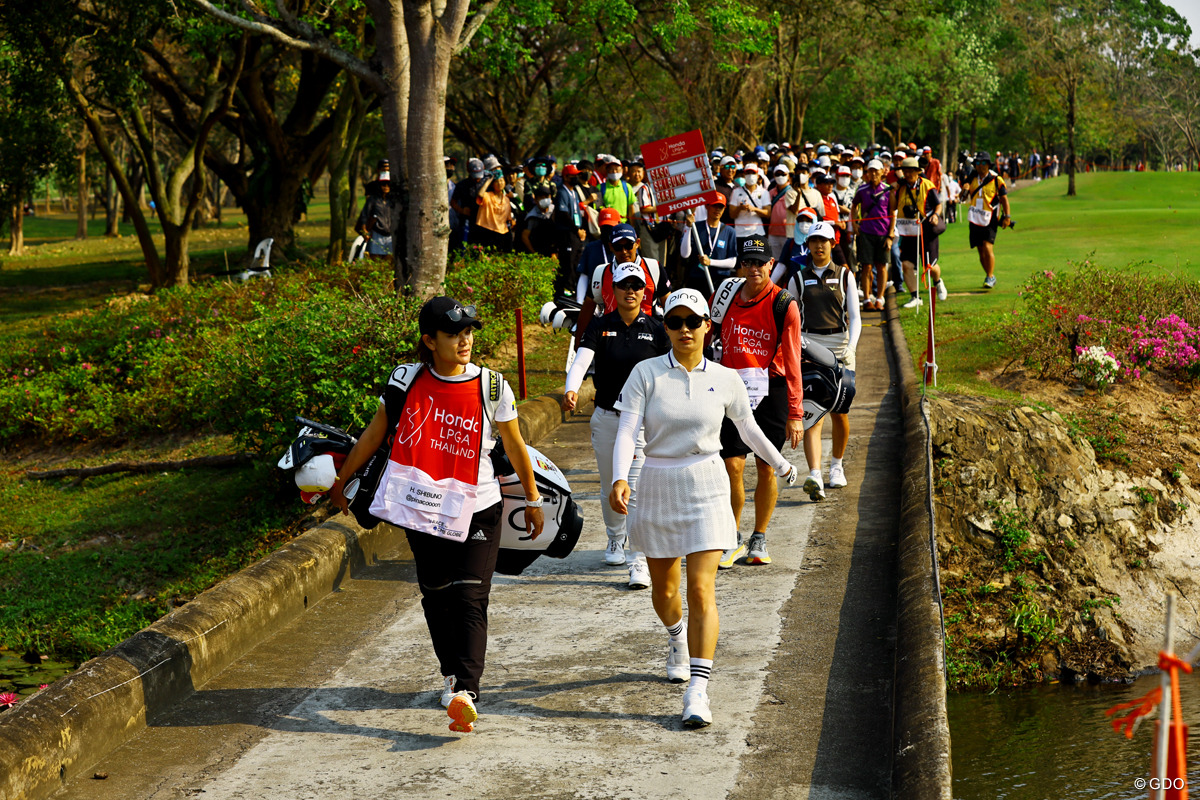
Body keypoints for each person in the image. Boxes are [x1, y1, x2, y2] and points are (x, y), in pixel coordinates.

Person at [329, 297, 544, 734]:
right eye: (453, 334)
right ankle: (452, 675)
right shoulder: (405, 380)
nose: (465, 341)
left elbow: (516, 446)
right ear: (430, 340)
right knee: (437, 595)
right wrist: (342, 478)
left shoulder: (493, 386)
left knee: (469, 596)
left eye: (469, 332)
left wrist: (533, 498)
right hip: (421, 506)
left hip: (479, 505)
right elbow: (377, 430)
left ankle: (466, 690)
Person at [609, 288, 799, 728]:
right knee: (666, 593)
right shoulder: (646, 373)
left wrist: (781, 462)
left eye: (692, 321)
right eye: (674, 322)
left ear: (706, 326)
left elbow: (747, 429)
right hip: (656, 482)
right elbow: (626, 431)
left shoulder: (727, 378)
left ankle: (698, 689)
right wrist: (621, 476)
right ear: (667, 327)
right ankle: (676, 638)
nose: (683, 330)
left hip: (707, 485)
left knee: (700, 591)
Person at [563, 262, 670, 587]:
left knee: (634, 488)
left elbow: (673, 368)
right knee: (612, 484)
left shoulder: (655, 328)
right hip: (607, 418)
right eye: (624, 285)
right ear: (613, 289)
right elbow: (582, 359)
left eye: (637, 285)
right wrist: (571, 387)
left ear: (644, 290)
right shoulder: (599, 325)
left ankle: (638, 558)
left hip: (641, 423)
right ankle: (615, 538)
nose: (631, 291)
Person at [712, 236, 804, 569]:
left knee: (766, 466)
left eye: (760, 263)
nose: (754, 269)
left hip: (772, 389)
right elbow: (709, 338)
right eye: (747, 262)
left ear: (770, 265)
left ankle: (759, 536)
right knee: (732, 465)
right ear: (740, 265)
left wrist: (796, 411)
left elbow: (794, 360)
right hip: (731, 389)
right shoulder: (725, 296)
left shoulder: (784, 304)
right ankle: (730, 535)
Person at [786, 223, 860, 502]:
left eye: (824, 241)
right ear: (809, 244)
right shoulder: (798, 278)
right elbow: (790, 319)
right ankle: (815, 474)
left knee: (840, 413)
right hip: (809, 349)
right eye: (814, 241)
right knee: (813, 414)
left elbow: (855, 316)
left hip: (840, 348)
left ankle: (837, 466)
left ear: (832, 243)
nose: (819, 246)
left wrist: (851, 347)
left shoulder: (844, 276)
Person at [891, 157, 947, 309]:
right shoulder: (901, 187)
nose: (908, 174)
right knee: (907, 265)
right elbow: (893, 207)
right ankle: (915, 297)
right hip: (908, 232)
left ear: (917, 172)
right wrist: (892, 191)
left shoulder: (927, 185)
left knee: (930, 266)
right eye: (905, 171)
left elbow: (938, 205)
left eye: (911, 171)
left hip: (927, 230)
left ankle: (937, 281)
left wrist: (935, 215)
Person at [959, 151, 1011, 289]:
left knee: (988, 247)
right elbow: (962, 198)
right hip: (975, 217)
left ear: (988, 165)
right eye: (978, 163)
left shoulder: (996, 179)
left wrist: (1007, 216)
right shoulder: (971, 179)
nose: (980, 166)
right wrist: (964, 189)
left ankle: (989, 276)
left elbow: (1004, 199)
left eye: (983, 163)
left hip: (991, 218)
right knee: (980, 249)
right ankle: (990, 276)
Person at [851, 158, 892, 311]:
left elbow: (892, 212)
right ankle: (867, 299)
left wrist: (891, 235)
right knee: (866, 267)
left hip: (883, 233)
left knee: (882, 267)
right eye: (871, 170)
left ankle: (880, 298)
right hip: (866, 233)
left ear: (882, 171)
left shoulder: (887, 189)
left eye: (876, 170)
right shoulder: (862, 189)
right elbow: (854, 205)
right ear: (867, 173)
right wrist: (855, 223)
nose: (873, 173)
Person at [679, 196, 738, 293]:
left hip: (719, 280)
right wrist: (688, 227)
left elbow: (732, 262)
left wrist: (711, 262)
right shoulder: (695, 226)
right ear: (707, 206)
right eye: (714, 206)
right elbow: (685, 254)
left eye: (721, 207)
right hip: (697, 278)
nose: (717, 210)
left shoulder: (730, 231)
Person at [553, 164, 588, 296]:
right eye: (574, 175)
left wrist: (581, 230)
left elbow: (577, 213)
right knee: (568, 262)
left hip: (575, 232)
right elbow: (564, 215)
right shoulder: (562, 192)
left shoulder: (574, 192)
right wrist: (576, 230)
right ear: (566, 177)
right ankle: (566, 290)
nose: (577, 178)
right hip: (567, 233)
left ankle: (573, 288)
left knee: (576, 261)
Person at [355, 160, 397, 257]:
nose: (386, 187)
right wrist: (365, 229)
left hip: (390, 230)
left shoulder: (393, 197)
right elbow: (366, 212)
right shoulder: (372, 192)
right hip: (375, 229)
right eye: (383, 184)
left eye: (388, 184)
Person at [728, 163, 771, 240]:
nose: (750, 175)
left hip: (758, 233)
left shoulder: (764, 192)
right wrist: (740, 208)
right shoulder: (736, 192)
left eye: (753, 173)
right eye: (748, 173)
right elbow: (732, 215)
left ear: (758, 175)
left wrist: (754, 209)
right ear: (744, 175)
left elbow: (768, 213)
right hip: (740, 234)